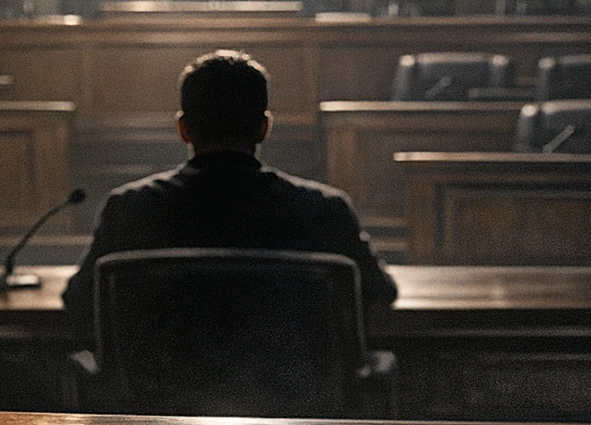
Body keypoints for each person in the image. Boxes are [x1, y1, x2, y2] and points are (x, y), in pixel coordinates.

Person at [63, 49, 398, 337]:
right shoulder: (325, 210)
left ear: (183, 129)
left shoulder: (130, 208)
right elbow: (379, 293)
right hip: (293, 405)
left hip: (159, 405)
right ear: (265, 127)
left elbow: (79, 302)